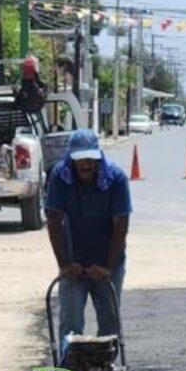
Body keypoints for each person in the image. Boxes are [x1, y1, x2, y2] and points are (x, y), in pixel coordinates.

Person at [45, 129, 132, 349]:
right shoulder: (59, 176)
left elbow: (121, 225)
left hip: (107, 261)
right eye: (80, 160)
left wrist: (107, 267)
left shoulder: (116, 178)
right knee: (70, 325)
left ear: (98, 157)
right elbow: (53, 219)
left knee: (110, 324)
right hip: (74, 261)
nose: (86, 165)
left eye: (91, 159)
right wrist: (64, 264)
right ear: (71, 160)